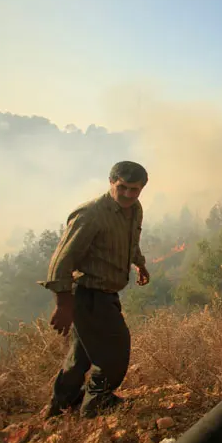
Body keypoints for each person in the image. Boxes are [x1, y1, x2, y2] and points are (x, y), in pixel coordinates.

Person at [38, 161, 151, 419]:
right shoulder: (90, 214)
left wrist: (140, 265)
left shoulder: (134, 210)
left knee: (81, 355)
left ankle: (61, 405)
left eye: (135, 190)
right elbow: (60, 261)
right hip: (89, 294)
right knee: (114, 354)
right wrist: (63, 304)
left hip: (106, 293)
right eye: (122, 187)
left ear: (142, 189)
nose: (128, 195)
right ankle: (96, 404)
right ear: (111, 182)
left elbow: (130, 241)